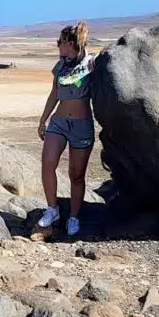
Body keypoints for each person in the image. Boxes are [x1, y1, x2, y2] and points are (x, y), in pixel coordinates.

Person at [36, 21, 96, 236]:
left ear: (70, 43)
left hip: (81, 126)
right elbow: (54, 93)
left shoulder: (91, 63)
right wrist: (43, 119)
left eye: (59, 42)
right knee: (47, 164)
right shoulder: (60, 65)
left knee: (76, 175)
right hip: (59, 122)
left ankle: (74, 217)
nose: (57, 46)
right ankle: (52, 209)